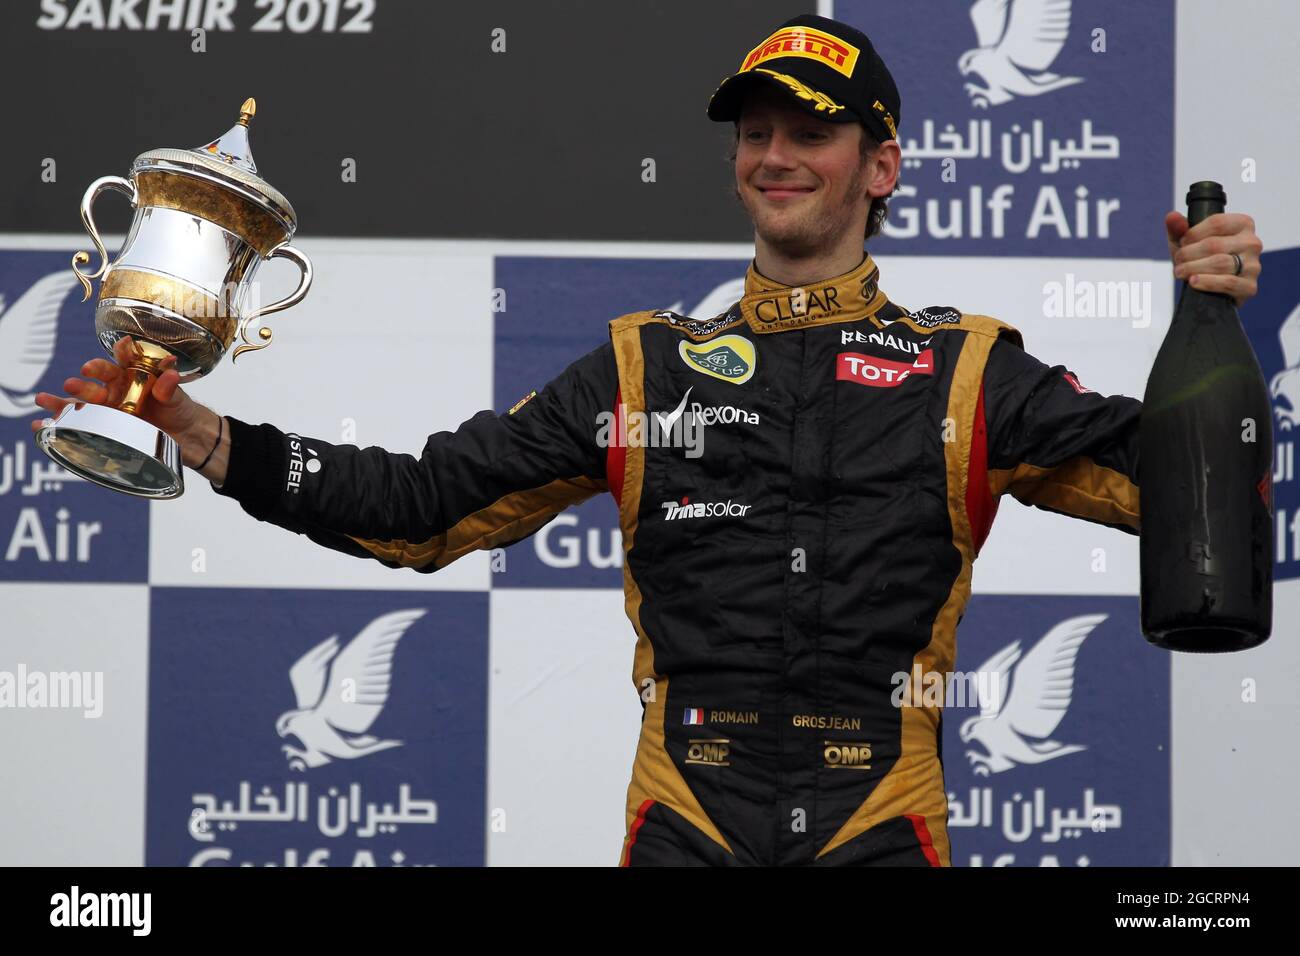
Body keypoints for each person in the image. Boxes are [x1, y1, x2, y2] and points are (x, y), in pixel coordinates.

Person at [31, 14, 1263, 866]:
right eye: (754, 133)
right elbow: (420, 507)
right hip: (686, 813)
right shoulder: (641, 364)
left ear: (881, 163)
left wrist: (1208, 313)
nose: (775, 157)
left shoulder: (967, 369)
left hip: (884, 815)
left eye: (812, 133)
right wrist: (199, 427)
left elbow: (1191, 492)